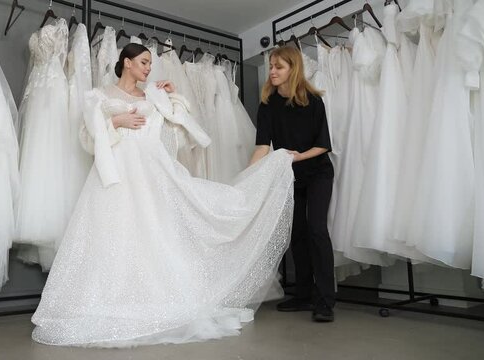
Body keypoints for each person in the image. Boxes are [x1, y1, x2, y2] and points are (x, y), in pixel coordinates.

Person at [30, 43, 296, 347]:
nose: (147, 68)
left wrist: (171, 97)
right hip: (116, 176)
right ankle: (112, 303)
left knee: (155, 234)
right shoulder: (101, 96)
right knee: (113, 234)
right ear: (126, 63)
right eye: (143, 62)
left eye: (149, 63)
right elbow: (86, 139)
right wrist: (115, 122)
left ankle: (155, 299)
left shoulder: (151, 97)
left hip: (150, 173)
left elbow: (179, 136)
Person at [250, 46, 336, 322]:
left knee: (316, 230)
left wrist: (298, 156)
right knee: (296, 232)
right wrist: (249, 177)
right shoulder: (267, 104)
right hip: (291, 175)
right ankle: (302, 295)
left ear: (293, 69)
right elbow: (263, 145)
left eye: (279, 67)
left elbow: (323, 145)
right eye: (271, 66)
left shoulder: (312, 101)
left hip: (317, 172)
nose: (272, 72)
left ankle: (324, 301)